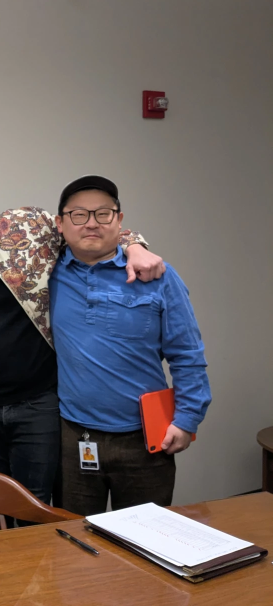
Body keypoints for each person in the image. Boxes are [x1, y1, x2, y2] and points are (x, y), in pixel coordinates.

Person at [0, 169, 164, 506]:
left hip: (37, 401)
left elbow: (89, 228)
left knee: (36, 503)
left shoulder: (24, 227)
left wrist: (133, 244)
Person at [50, 175, 210, 515]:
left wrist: (187, 419)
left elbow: (187, 355)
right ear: (60, 224)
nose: (91, 222)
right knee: (75, 547)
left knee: (146, 544)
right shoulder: (45, 276)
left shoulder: (159, 276)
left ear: (120, 221)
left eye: (103, 213)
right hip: (74, 439)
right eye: (78, 214)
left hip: (146, 440)